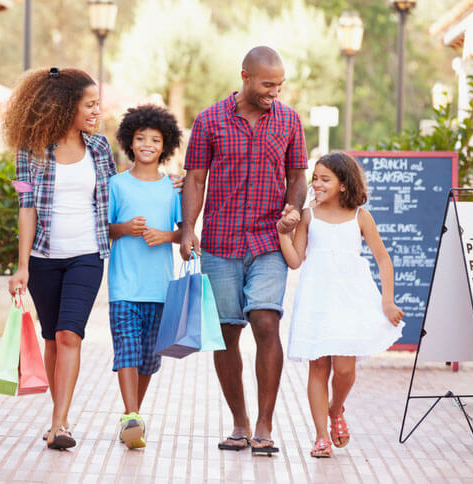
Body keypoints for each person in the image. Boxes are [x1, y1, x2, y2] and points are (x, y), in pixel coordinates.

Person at [180, 46, 308, 455]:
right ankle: (240, 422)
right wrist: (187, 229)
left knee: (266, 321)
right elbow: (195, 179)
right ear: (245, 77)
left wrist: (293, 209)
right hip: (220, 242)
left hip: (269, 239)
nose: (276, 91)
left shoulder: (289, 120)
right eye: (268, 84)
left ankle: (265, 426)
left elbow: (298, 176)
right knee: (227, 333)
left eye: (280, 84)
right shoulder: (209, 120)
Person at [4, 67, 115, 450]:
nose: (97, 110)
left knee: (70, 334)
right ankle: (58, 420)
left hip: (87, 255)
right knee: (52, 338)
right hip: (43, 259)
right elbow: (25, 206)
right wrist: (22, 266)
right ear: (67, 106)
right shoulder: (29, 152)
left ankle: (60, 422)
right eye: (90, 104)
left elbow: (112, 200)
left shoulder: (100, 149)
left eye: (97, 103)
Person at [277, 152, 404, 458]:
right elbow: (295, 261)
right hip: (316, 298)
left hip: (351, 298)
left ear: (344, 184)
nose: (317, 184)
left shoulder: (361, 216)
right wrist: (283, 233)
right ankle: (321, 436)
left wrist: (388, 300)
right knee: (318, 366)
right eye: (315, 178)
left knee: (344, 368)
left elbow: (383, 259)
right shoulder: (308, 216)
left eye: (325, 179)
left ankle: (336, 409)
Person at [107, 104, 183, 449]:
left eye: (155, 139)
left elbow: (186, 234)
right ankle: (131, 415)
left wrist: (164, 236)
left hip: (160, 287)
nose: (148, 144)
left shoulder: (173, 189)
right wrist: (125, 228)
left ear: (165, 145)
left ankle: (134, 415)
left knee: (149, 359)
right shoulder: (116, 184)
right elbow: (104, 229)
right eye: (141, 138)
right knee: (127, 350)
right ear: (129, 142)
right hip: (123, 285)